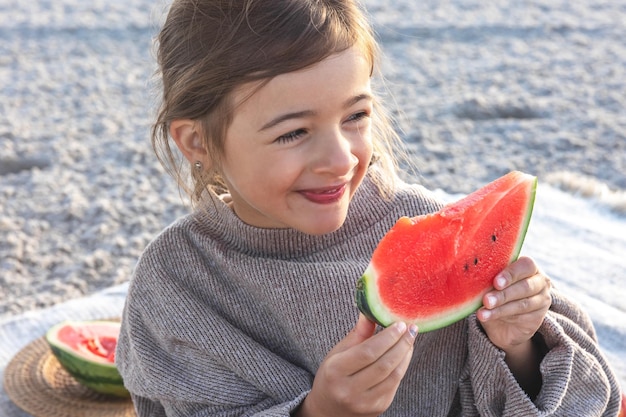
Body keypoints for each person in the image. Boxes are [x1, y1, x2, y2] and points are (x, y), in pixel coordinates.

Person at [116, 0, 622, 416]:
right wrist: (316, 413)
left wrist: (519, 346)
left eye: (356, 115)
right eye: (293, 132)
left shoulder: (424, 226)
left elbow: (589, 401)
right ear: (197, 141)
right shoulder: (175, 282)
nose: (340, 159)